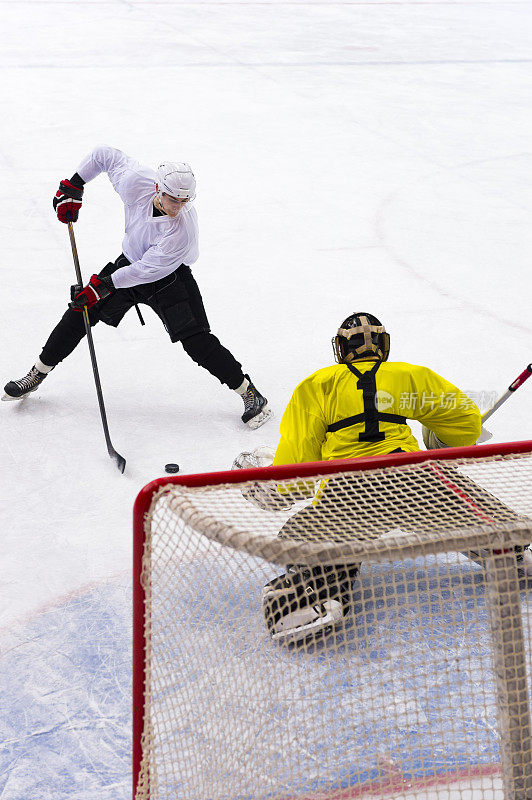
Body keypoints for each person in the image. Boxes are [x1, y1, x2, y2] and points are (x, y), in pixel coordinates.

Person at [235, 312, 531, 644]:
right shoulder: (408, 375)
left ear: (340, 349)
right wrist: (443, 441)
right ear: (383, 345)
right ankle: (518, 550)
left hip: (348, 491)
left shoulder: (316, 386)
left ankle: (314, 596)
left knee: (304, 534)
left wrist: (273, 493)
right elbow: (463, 418)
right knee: (484, 517)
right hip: (415, 478)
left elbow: (297, 473)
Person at [2, 145, 272, 430]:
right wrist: (74, 185)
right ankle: (36, 374)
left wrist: (103, 286)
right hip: (128, 262)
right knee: (79, 312)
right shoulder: (135, 182)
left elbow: (145, 271)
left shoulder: (182, 229)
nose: (177, 206)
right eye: (172, 198)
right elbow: (104, 155)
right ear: (158, 187)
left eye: (184, 200)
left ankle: (249, 393)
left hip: (168, 278)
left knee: (196, 341)